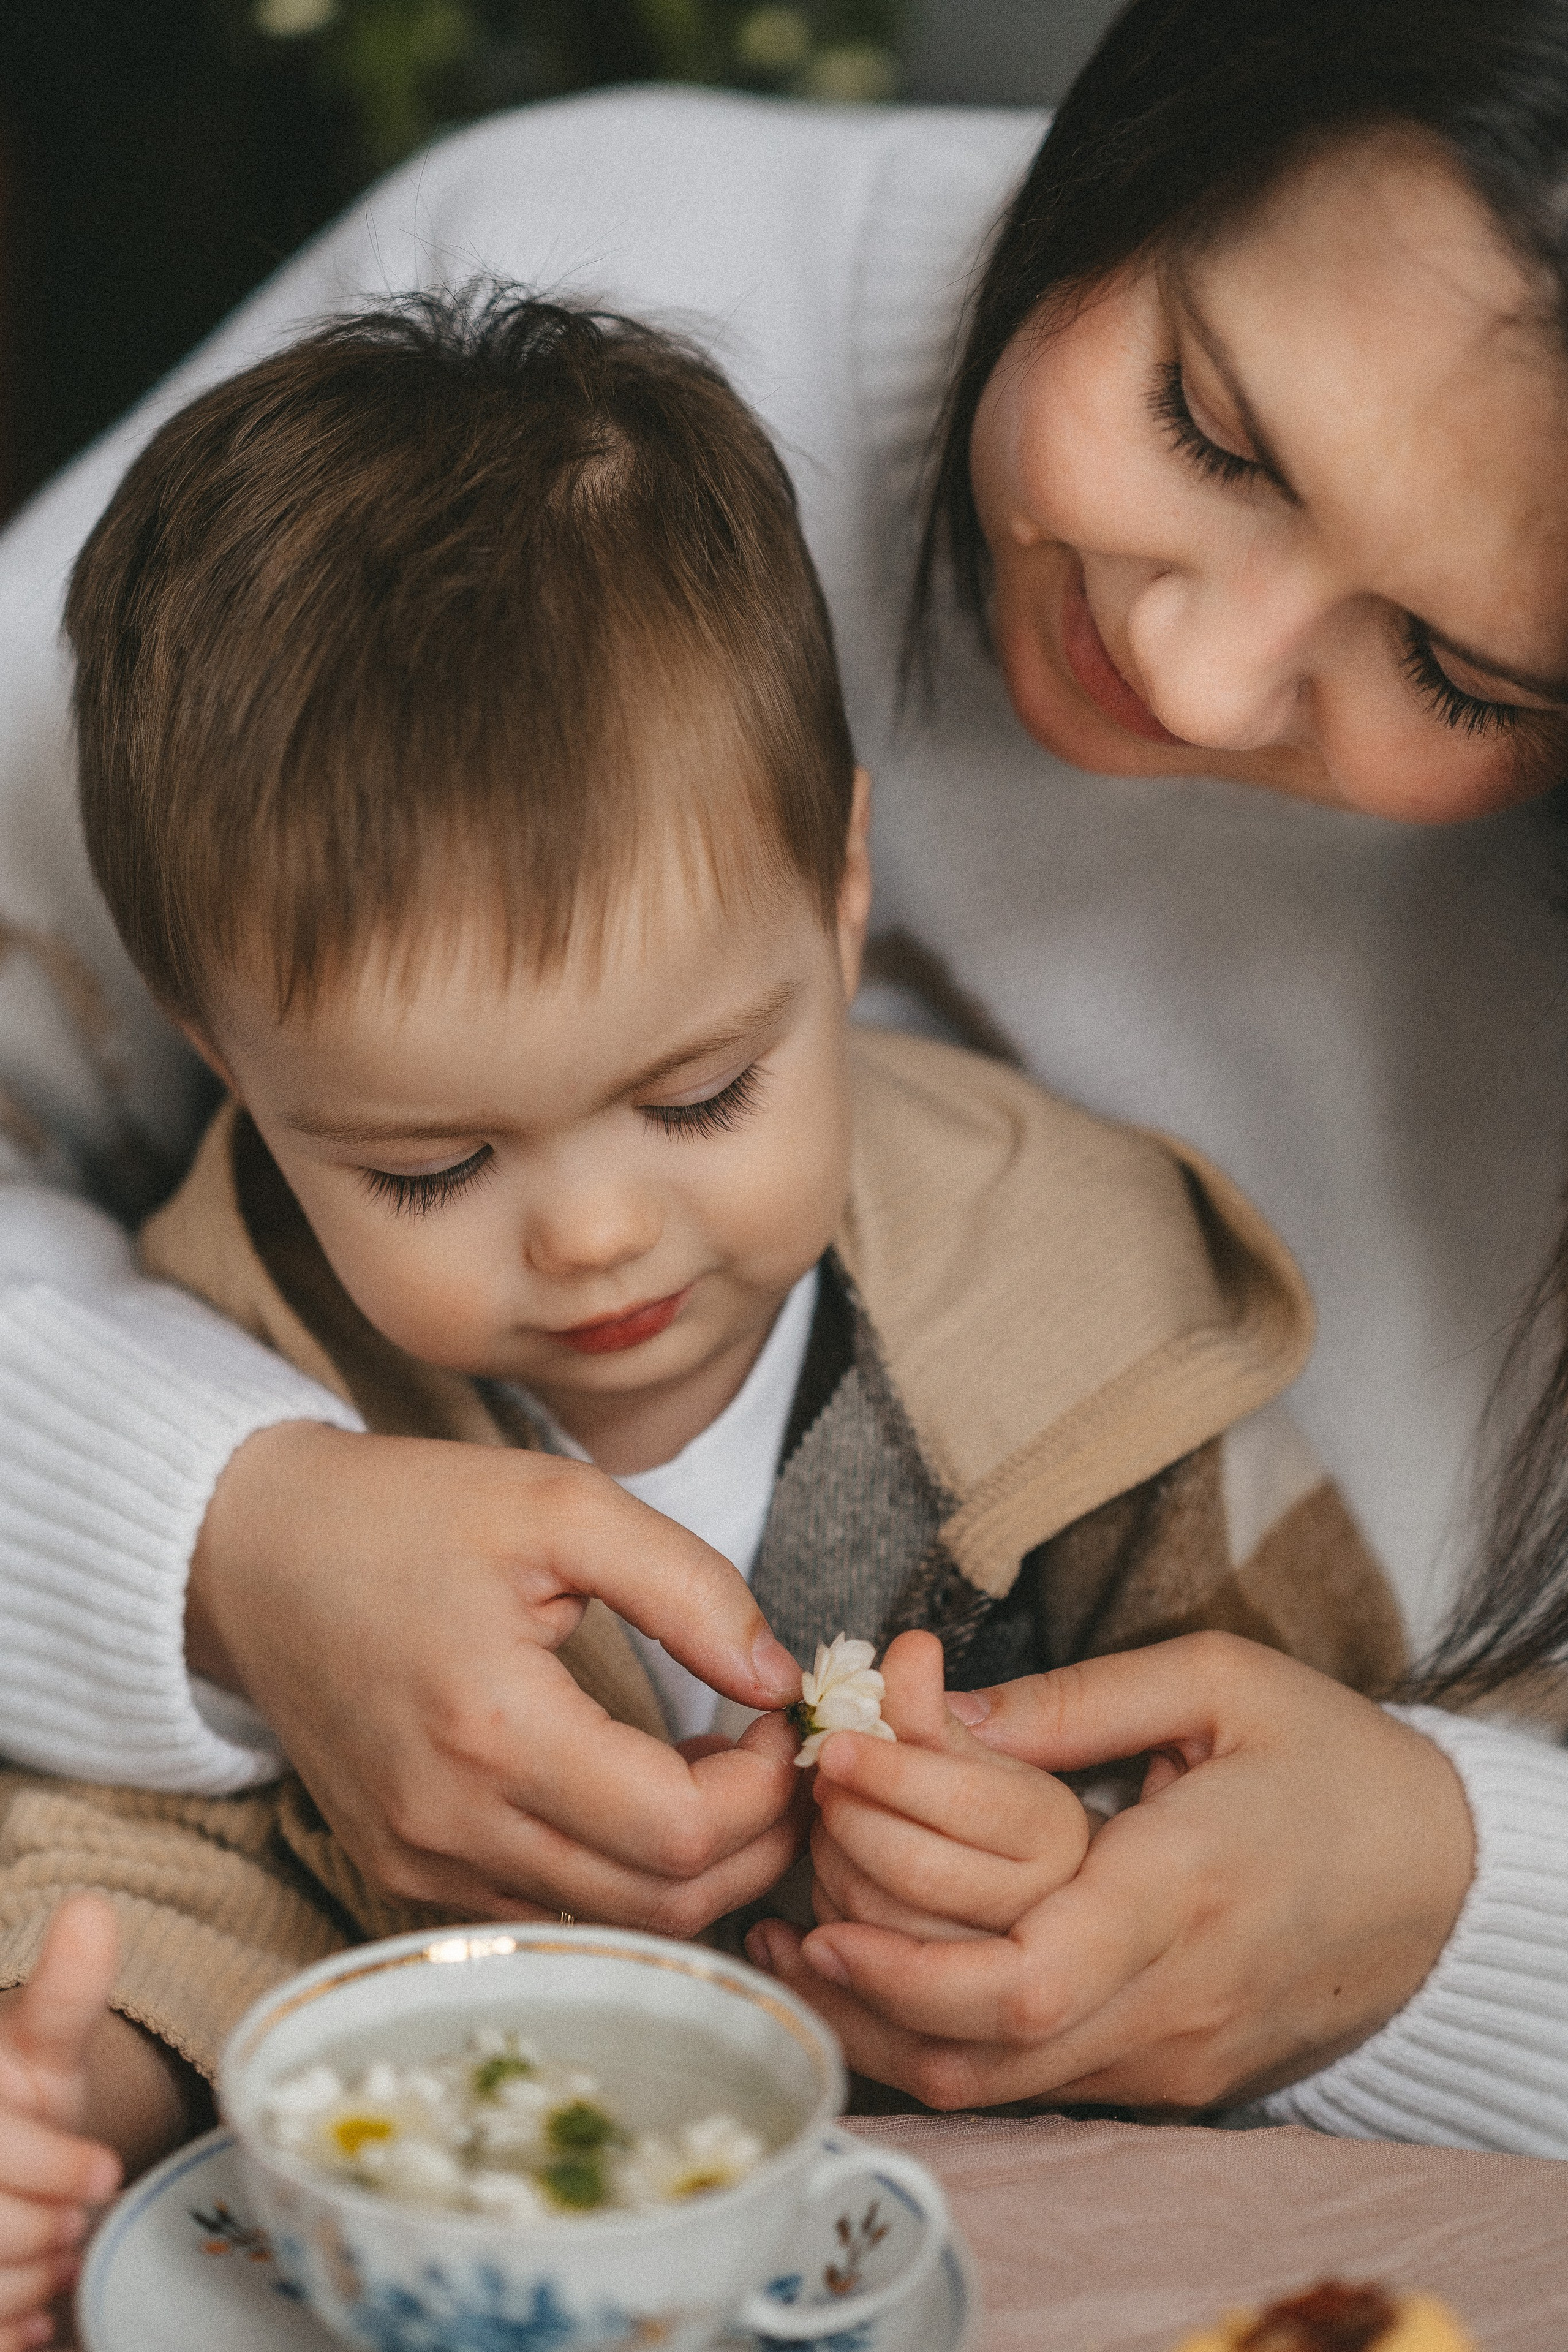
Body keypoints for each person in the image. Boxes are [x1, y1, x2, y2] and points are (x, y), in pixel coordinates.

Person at [1, 0, 1567, 2160]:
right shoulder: (549, 339)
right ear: (1158, 125)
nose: (1195, 678)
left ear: (836, 902)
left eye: (1468, 669)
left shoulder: (1088, 1316)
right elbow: (156, 1878)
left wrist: (1435, 1923)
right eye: (1207, 422)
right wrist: (213, 1538)